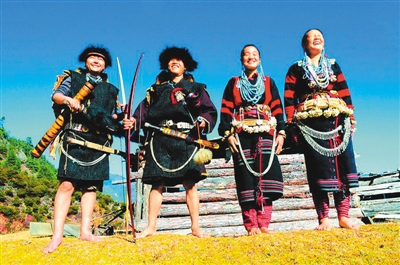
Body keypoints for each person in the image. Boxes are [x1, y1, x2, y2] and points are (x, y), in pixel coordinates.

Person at [123, 46, 217, 238]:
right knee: (157, 183)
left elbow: (209, 111)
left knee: (190, 182)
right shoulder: (155, 90)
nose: (175, 62)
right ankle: (150, 227)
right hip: (160, 140)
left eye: (179, 60)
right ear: (166, 64)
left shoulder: (197, 89)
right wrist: (133, 121)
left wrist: (202, 121)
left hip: (187, 138)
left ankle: (195, 227)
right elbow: (142, 113)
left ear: (185, 66)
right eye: (171, 60)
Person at [43, 45, 122, 253]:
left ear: (105, 64)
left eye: (100, 58)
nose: (96, 60)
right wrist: (69, 99)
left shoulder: (112, 89)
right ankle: (57, 236)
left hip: (99, 141)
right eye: (92, 57)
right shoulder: (73, 77)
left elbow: (113, 115)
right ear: (86, 61)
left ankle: (85, 231)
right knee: (67, 184)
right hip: (75, 136)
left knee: (91, 187)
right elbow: (56, 96)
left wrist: (124, 120)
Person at [284, 29, 359, 230]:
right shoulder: (296, 69)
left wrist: (350, 117)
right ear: (304, 44)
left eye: (320, 36)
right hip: (310, 124)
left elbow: (345, 92)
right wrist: (291, 125)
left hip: (337, 120)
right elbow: (289, 98)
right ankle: (323, 217)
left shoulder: (334, 65)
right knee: (318, 169)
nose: (317, 38)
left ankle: (343, 215)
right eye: (312, 36)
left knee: (342, 166)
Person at [218, 44, 285, 236]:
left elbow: (278, 109)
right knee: (245, 178)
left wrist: (281, 133)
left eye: (254, 54)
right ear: (241, 60)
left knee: (267, 178)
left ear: (260, 59)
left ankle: (264, 223)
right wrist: (228, 134)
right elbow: (225, 110)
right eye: (246, 54)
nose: (250, 57)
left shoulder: (268, 82)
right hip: (242, 134)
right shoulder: (234, 83)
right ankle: (251, 225)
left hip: (266, 133)